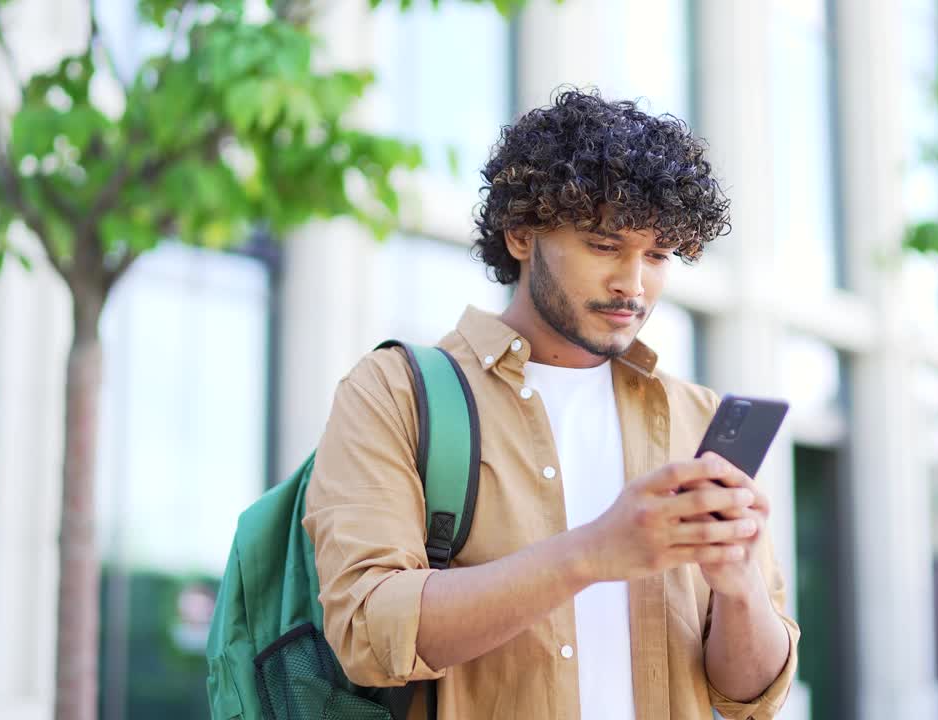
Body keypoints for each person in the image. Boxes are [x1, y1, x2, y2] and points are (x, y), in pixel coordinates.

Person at [303, 87, 799, 720]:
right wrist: (591, 553)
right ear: (520, 235)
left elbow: (752, 697)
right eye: (604, 246)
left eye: (658, 255)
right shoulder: (394, 391)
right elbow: (369, 634)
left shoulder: (697, 418)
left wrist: (738, 589)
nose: (633, 282)